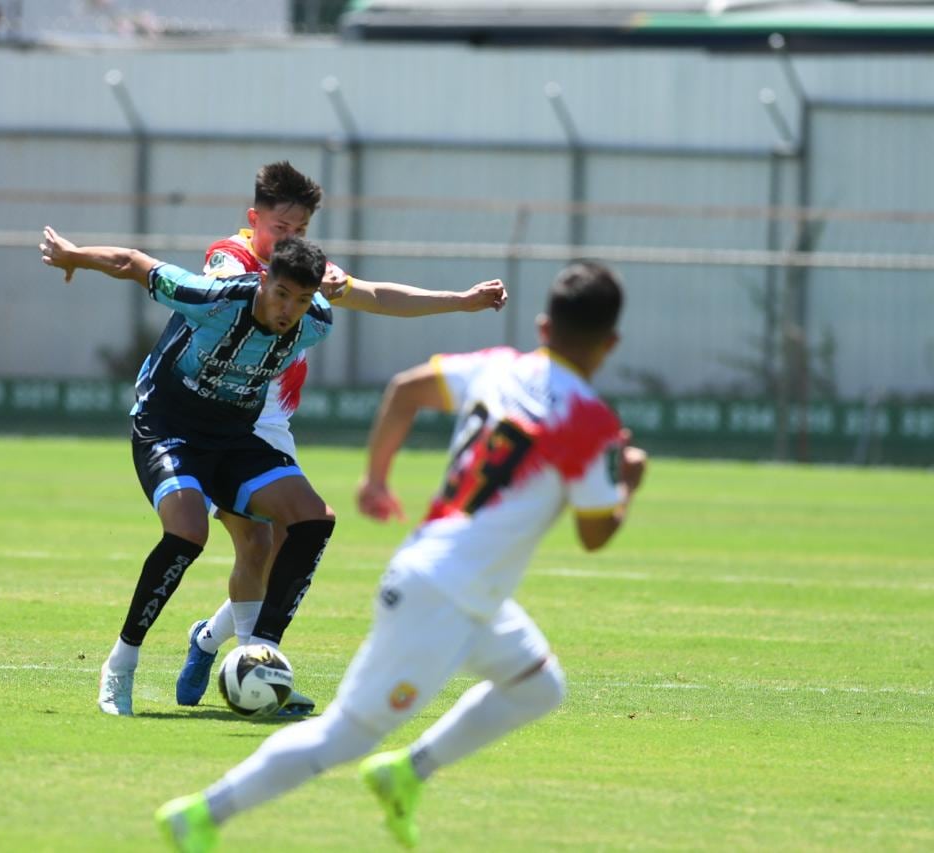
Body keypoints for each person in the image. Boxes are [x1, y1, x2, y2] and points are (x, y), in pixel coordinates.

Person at [155, 260, 648, 852]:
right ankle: (202, 815)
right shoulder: (591, 422)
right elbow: (596, 535)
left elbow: (406, 390)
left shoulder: (500, 367)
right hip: (443, 596)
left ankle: (405, 774)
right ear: (611, 343)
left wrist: (375, 479)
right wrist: (629, 483)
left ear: (543, 327)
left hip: (460, 586)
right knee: (342, 737)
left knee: (539, 686)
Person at [176, 161, 507, 716]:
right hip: (220, 422)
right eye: (281, 228)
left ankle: (211, 641)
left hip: (272, 429)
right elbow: (215, 291)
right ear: (254, 219)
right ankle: (258, 675)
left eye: (301, 230)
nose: (291, 239)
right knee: (255, 545)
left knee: (286, 549)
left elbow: (375, 295)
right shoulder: (229, 258)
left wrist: (461, 299)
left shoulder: (307, 270)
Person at [39, 229, 342, 717]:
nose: (289, 310)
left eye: (302, 299)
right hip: (167, 431)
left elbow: (359, 297)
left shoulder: (316, 323)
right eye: (282, 293)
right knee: (187, 533)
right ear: (263, 279)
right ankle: (122, 663)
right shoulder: (215, 299)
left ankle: (259, 654)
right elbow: (133, 263)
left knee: (313, 518)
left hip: (234, 442)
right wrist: (76, 256)